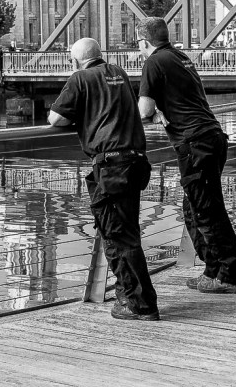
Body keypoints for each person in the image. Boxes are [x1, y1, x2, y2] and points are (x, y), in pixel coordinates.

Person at [48, 37, 160, 321]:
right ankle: (135, 298)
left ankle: (139, 304)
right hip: (135, 161)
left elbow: (55, 119)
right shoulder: (118, 72)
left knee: (118, 237)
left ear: (75, 61)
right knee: (127, 233)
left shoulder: (79, 78)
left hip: (112, 167)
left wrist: (81, 116)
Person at [136, 17, 236, 294]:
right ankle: (213, 271)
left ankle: (231, 276)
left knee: (208, 212)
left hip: (195, 143)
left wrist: (155, 111)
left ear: (143, 42)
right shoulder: (180, 57)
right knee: (194, 209)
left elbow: (143, 110)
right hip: (211, 137)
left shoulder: (153, 62)